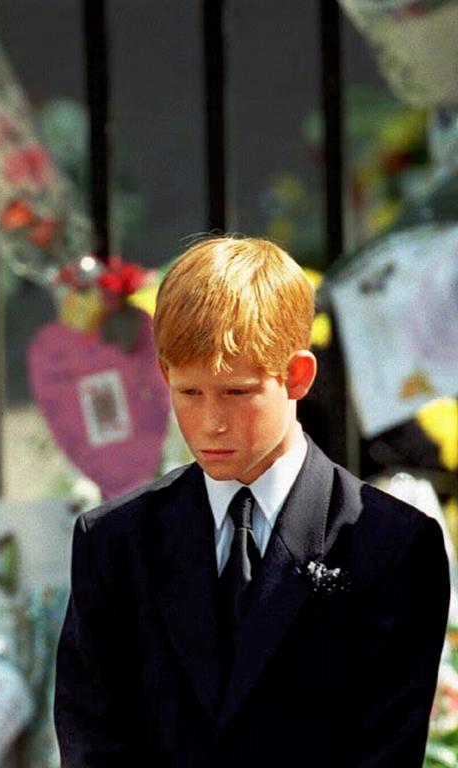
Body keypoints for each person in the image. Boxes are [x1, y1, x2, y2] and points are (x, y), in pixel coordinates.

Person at [53, 235, 450, 766]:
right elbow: (95, 740)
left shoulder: (392, 547)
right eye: (190, 393)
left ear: (296, 377)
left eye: (237, 392)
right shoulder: (113, 543)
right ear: (165, 375)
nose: (211, 422)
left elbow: (383, 753)